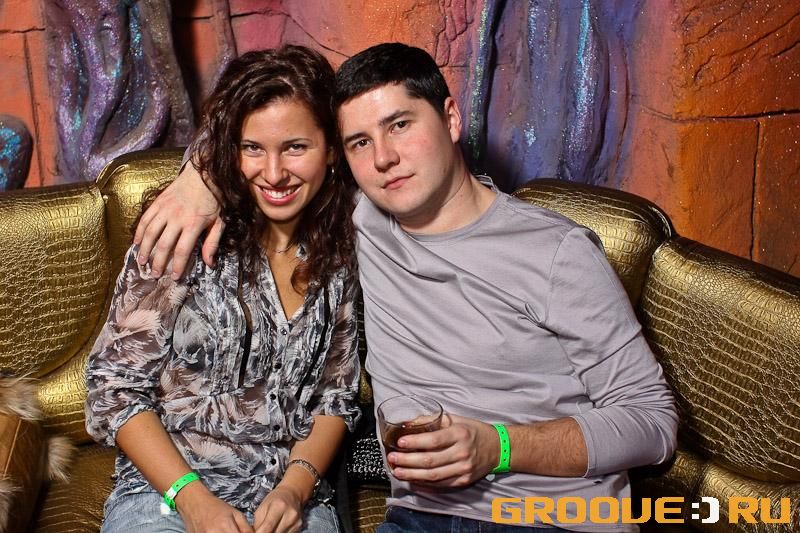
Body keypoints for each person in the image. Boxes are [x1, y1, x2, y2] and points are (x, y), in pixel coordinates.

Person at [134, 43, 678, 532]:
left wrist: (499, 447)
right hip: (419, 517)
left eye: (399, 125)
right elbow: (271, 136)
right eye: (360, 141)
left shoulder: (556, 251)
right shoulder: (357, 220)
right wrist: (199, 179)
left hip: (551, 518)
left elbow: (653, 424)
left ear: (451, 118)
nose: (383, 158)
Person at [85, 45, 360, 533]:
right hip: (167, 497)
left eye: (295, 147)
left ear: (332, 149)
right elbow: (114, 389)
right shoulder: (180, 235)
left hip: (290, 498)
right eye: (252, 148)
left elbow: (334, 397)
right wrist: (193, 501)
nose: (273, 173)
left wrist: (295, 489)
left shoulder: (343, 249)